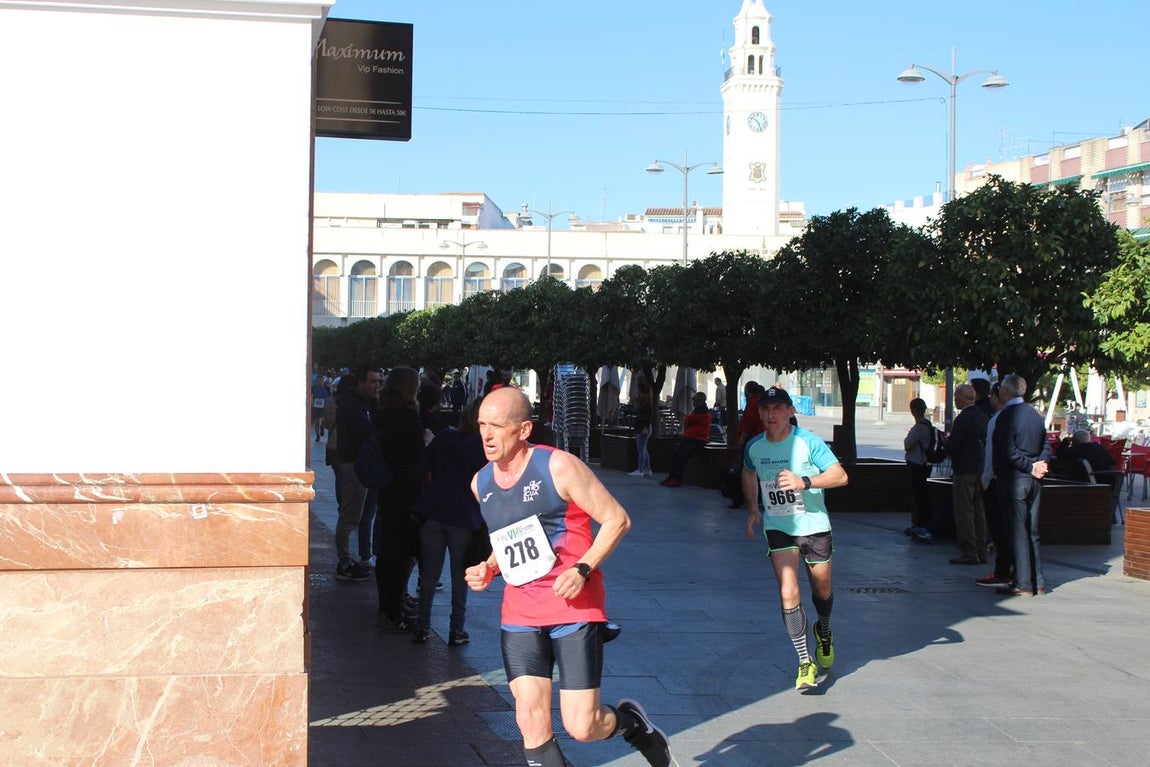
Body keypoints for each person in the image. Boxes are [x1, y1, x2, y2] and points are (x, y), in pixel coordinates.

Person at [464, 387, 671, 767]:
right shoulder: (481, 483)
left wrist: (583, 568)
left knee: (582, 725)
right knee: (530, 720)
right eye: (481, 425)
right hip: (520, 614)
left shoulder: (558, 466)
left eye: (497, 425)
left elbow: (616, 519)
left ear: (524, 429)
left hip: (573, 608)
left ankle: (634, 725)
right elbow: (508, 538)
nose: (487, 435)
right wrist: (489, 567)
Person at [742, 386, 849, 692]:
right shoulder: (755, 447)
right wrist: (752, 508)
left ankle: (824, 630)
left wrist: (805, 481)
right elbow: (748, 473)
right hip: (779, 527)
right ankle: (804, 661)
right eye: (766, 409)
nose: (771, 415)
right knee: (789, 592)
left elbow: (840, 476)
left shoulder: (808, 442)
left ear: (790, 411)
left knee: (822, 589)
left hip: (814, 526)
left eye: (778, 408)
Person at [411, 400, 488, 645]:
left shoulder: (444, 437)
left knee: (429, 575)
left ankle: (422, 627)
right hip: (464, 517)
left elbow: (420, 468)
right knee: (459, 576)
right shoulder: (481, 446)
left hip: (434, 512)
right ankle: (457, 630)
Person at [372, 366, 425, 628]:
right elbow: (415, 455)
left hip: (387, 487)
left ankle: (388, 606)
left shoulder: (382, 411)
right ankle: (394, 611)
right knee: (402, 551)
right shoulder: (408, 416)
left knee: (387, 550)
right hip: (405, 490)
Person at [991, 374, 1051, 597]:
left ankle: (1023, 583)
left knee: (1018, 532)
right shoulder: (1035, 415)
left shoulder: (1006, 416)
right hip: (1034, 480)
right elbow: (1046, 444)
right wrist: (1040, 464)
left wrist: (1029, 466)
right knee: (1032, 532)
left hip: (1016, 478)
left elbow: (1007, 450)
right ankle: (1038, 582)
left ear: (1005, 392)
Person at [334, 366, 382, 582]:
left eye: (379, 382)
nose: (377, 386)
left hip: (362, 464)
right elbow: (368, 431)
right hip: (353, 464)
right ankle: (344, 564)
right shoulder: (352, 404)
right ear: (360, 382)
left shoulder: (364, 403)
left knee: (360, 514)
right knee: (350, 516)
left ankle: (350, 561)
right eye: (372, 381)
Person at [946, 384, 989, 565]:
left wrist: (945, 443)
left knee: (964, 511)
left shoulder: (963, 419)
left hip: (964, 470)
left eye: (956, 395)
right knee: (979, 512)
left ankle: (969, 552)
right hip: (979, 468)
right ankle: (982, 550)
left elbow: (954, 446)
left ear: (963, 398)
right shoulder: (982, 416)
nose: (954, 399)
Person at [976, 383, 1013, 588]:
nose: (989, 399)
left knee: (999, 529)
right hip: (1016, 481)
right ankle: (1011, 569)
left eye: (992, 395)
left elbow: (991, 453)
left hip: (998, 481)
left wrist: (986, 479)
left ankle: (1002, 571)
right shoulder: (1027, 415)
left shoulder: (997, 420)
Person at [660, 391, 711, 488]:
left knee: (681, 456)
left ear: (698, 401)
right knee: (676, 454)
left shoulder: (702, 412)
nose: (692, 401)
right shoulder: (698, 410)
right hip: (691, 438)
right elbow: (688, 421)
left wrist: (688, 420)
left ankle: (676, 479)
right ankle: (671, 477)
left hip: (697, 440)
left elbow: (688, 420)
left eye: (694, 399)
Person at [903, 398, 935, 542]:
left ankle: (921, 524)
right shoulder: (928, 425)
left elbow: (908, 444)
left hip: (917, 464)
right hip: (924, 464)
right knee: (921, 495)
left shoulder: (920, 427)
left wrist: (908, 437)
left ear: (913, 411)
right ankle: (922, 523)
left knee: (918, 496)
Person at [628, 377, 654, 478]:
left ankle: (640, 470)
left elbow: (646, 416)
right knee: (644, 449)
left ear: (640, 390)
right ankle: (647, 469)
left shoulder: (645, 403)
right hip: (645, 427)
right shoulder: (646, 401)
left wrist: (644, 428)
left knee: (641, 450)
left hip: (643, 428)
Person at [311, 375, 331, 442]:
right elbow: (310, 396)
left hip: (323, 407)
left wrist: (327, 406)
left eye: (321, 381)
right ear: (316, 381)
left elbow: (329, 398)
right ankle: (317, 436)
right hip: (316, 407)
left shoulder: (326, 389)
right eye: (318, 381)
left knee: (322, 421)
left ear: (323, 381)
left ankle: (322, 427)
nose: (320, 382)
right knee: (316, 422)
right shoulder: (313, 388)